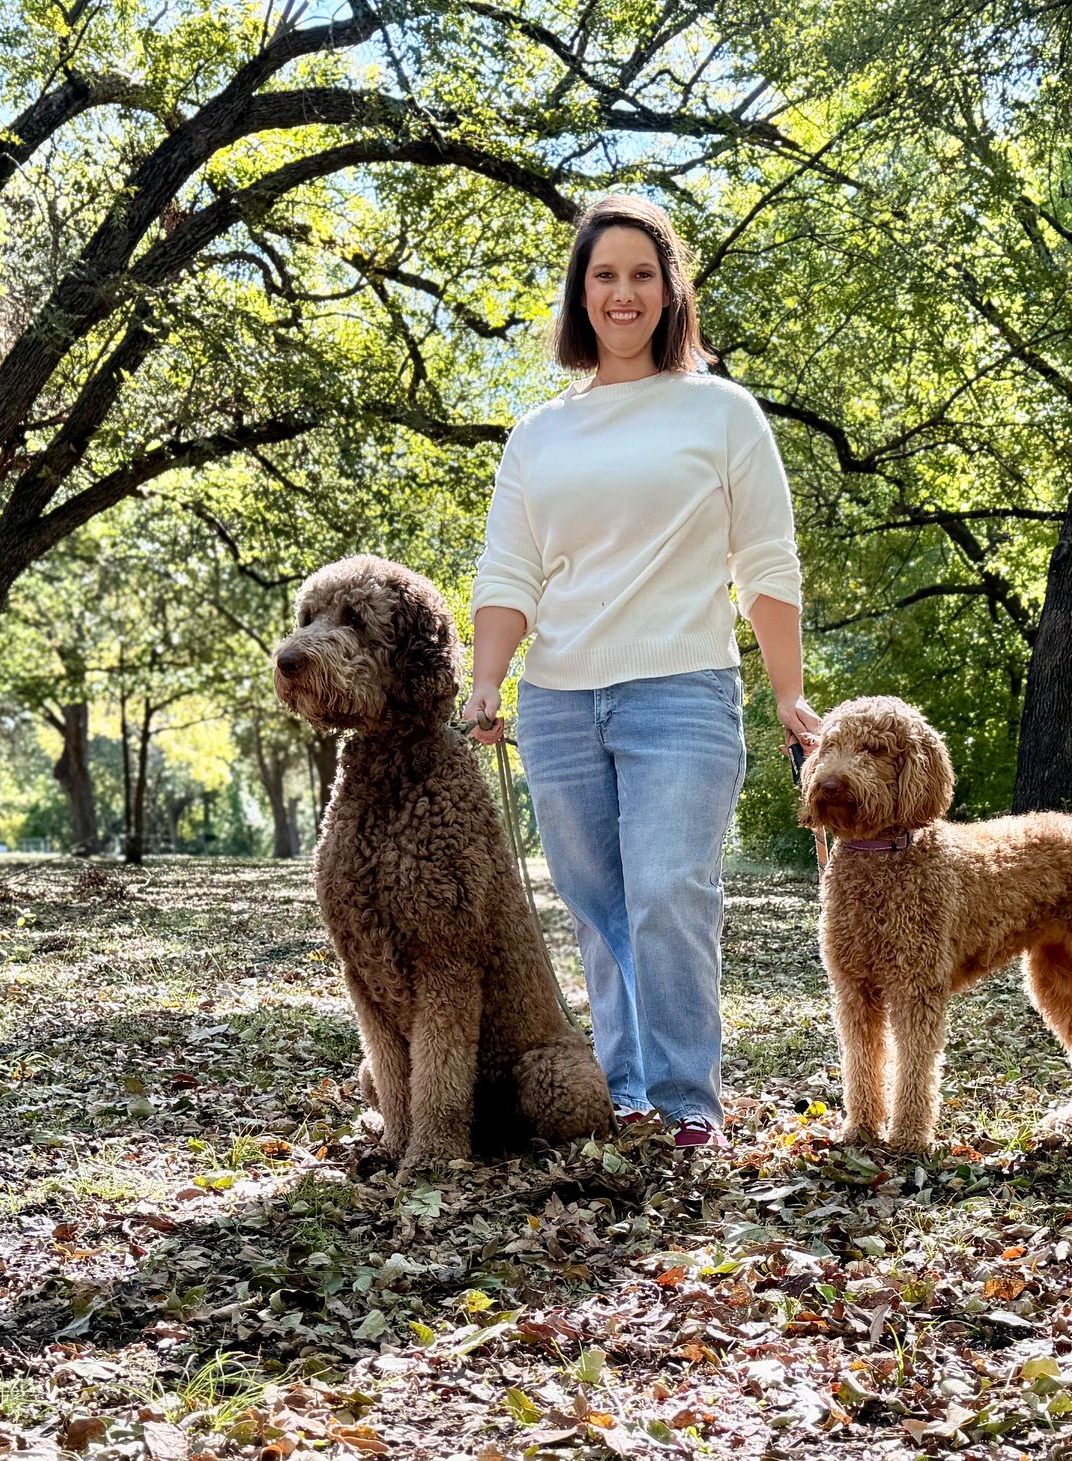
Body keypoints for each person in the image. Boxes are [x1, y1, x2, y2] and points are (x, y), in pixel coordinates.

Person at [464, 194, 817, 1150]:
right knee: (598, 905)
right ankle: (621, 1089)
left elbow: (767, 563)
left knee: (669, 888)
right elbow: (510, 571)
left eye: (642, 275)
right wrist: (487, 680)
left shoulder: (723, 411)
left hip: (683, 692)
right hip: (559, 702)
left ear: (670, 292)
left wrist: (788, 692)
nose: (623, 293)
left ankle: (687, 1101)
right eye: (604, 275)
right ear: (582, 295)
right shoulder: (539, 433)